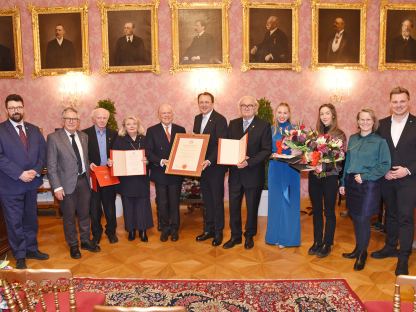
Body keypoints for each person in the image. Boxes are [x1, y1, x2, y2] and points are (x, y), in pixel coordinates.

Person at [0, 94, 49, 269]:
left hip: (31, 183)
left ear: (23, 108)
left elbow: (43, 154)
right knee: (14, 221)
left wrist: (36, 170)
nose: (16, 110)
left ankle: (31, 249)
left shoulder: (34, 130)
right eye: (12, 108)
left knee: (31, 219)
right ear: (6, 110)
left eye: (18, 107)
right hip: (10, 184)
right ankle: (19, 254)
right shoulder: (1, 130)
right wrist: (19, 173)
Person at [371, 86, 416, 276]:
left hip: (409, 179)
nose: (398, 105)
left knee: (405, 217)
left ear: (408, 102)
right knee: (389, 215)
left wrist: (407, 170)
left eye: (402, 101)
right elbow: (375, 152)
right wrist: (384, 171)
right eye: (395, 102)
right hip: (387, 179)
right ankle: (390, 247)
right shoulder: (380, 125)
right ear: (390, 103)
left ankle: (403, 257)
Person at [339, 108, 390, 271]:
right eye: (362, 119)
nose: (365, 122)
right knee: (355, 216)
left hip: (369, 185)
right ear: (358, 121)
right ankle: (357, 248)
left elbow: (385, 165)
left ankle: (362, 253)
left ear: (373, 122)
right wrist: (342, 183)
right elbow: (348, 162)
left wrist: (366, 175)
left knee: (363, 219)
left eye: (368, 119)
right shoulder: (353, 139)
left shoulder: (380, 141)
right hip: (352, 183)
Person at [47, 107, 100, 259]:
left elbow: (83, 158)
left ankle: (84, 241)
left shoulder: (83, 136)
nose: (71, 121)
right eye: (68, 118)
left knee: (85, 214)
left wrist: (89, 165)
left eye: (74, 119)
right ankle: (73, 245)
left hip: (84, 181)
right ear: (63, 120)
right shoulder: (53, 138)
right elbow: (51, 165)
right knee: (69, 217)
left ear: (78, 121)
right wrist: (56, 186)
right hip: (65, 185)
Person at [223, 96, 272, 250]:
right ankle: (235, 236)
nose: (246, 107)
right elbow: (228, 146)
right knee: (233, 207)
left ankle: (249, 236)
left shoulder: (263, 125)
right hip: (235, 174)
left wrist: (249, 162)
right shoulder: (233, 124)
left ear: (255, 108)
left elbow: (266, 150)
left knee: (252, 208)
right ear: (240, 108)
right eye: (243, 105)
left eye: (250, 105)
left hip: (253, 173)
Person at [308, 103, 346, 258]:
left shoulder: (339, 134)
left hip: (330, 178)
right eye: (322, 113)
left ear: (333, 115)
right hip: (314, 178)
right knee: (316, 211)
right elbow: (309, 155)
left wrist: (323, 167)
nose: (324, 116)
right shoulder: (314, 134)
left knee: (329, 211)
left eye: (327, 113)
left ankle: (327, 243)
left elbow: (340, 159)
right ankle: (317, 241)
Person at [146, 104, 186, 242]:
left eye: (169, 112)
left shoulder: (181, 130)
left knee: (174, 202)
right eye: (163, 113)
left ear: (172, 114)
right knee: (162, 202)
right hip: (160, 172)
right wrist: (162, 161)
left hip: (175, 173)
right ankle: (165, 229)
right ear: (159, 115)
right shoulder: (152, 130)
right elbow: (149, 152)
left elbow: (185, 150)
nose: (166, 115)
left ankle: (174, 229)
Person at [110, 116, 153, 242]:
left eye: (134, 123)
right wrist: (112, 162)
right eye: (128, 124)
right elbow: (114, 157)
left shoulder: (145, 139)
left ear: (138, 125)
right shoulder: (119, 140)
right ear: (124, 126)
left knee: (142, 204)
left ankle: (143, 231)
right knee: (128, 205)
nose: (132, 126)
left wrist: (147, 160)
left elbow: (151, 155)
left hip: (141, 178)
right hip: (126, 180)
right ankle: (131, 230)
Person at [193, 92, 227, 247]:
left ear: (213, 103)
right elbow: (196, 142)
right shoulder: (197, 118)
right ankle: (208, 230)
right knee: (206, 200)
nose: (204, 104)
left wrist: (209, 160)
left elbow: (220, 144)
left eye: (207, 102)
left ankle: (218, 232)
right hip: (202, 168)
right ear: (198, 103)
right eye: (201, 102)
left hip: (215, 167)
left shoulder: (220, 119)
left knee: (217, 201)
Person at [265, 103, 300, 248]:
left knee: (288, 203)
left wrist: (297, 153)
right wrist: (270, 153)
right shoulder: (271, 130)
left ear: (289, 114)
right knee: (275, 203)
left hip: (290, 170)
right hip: (275, 169)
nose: (282, 115)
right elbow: (265, 149)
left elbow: (301, 152)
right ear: (275, 113)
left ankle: (287, 239)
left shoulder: (295, 131)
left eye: (285, 112)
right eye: (279, 112)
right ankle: (274, 237)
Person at [83, 108, 118, 245]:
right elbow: (82, 155)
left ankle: (111, 232)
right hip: (93, 176)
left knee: (110, 206)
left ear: (108, 119)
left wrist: (113, 160)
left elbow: (117, 152)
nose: (102, 120)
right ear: (93, 119)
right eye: (99, 117)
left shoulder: (114, 134)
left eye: (105, 118)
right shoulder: (85, 134)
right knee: (94, 208)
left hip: (109, 175)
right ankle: (96, 234)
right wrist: (89, 163)